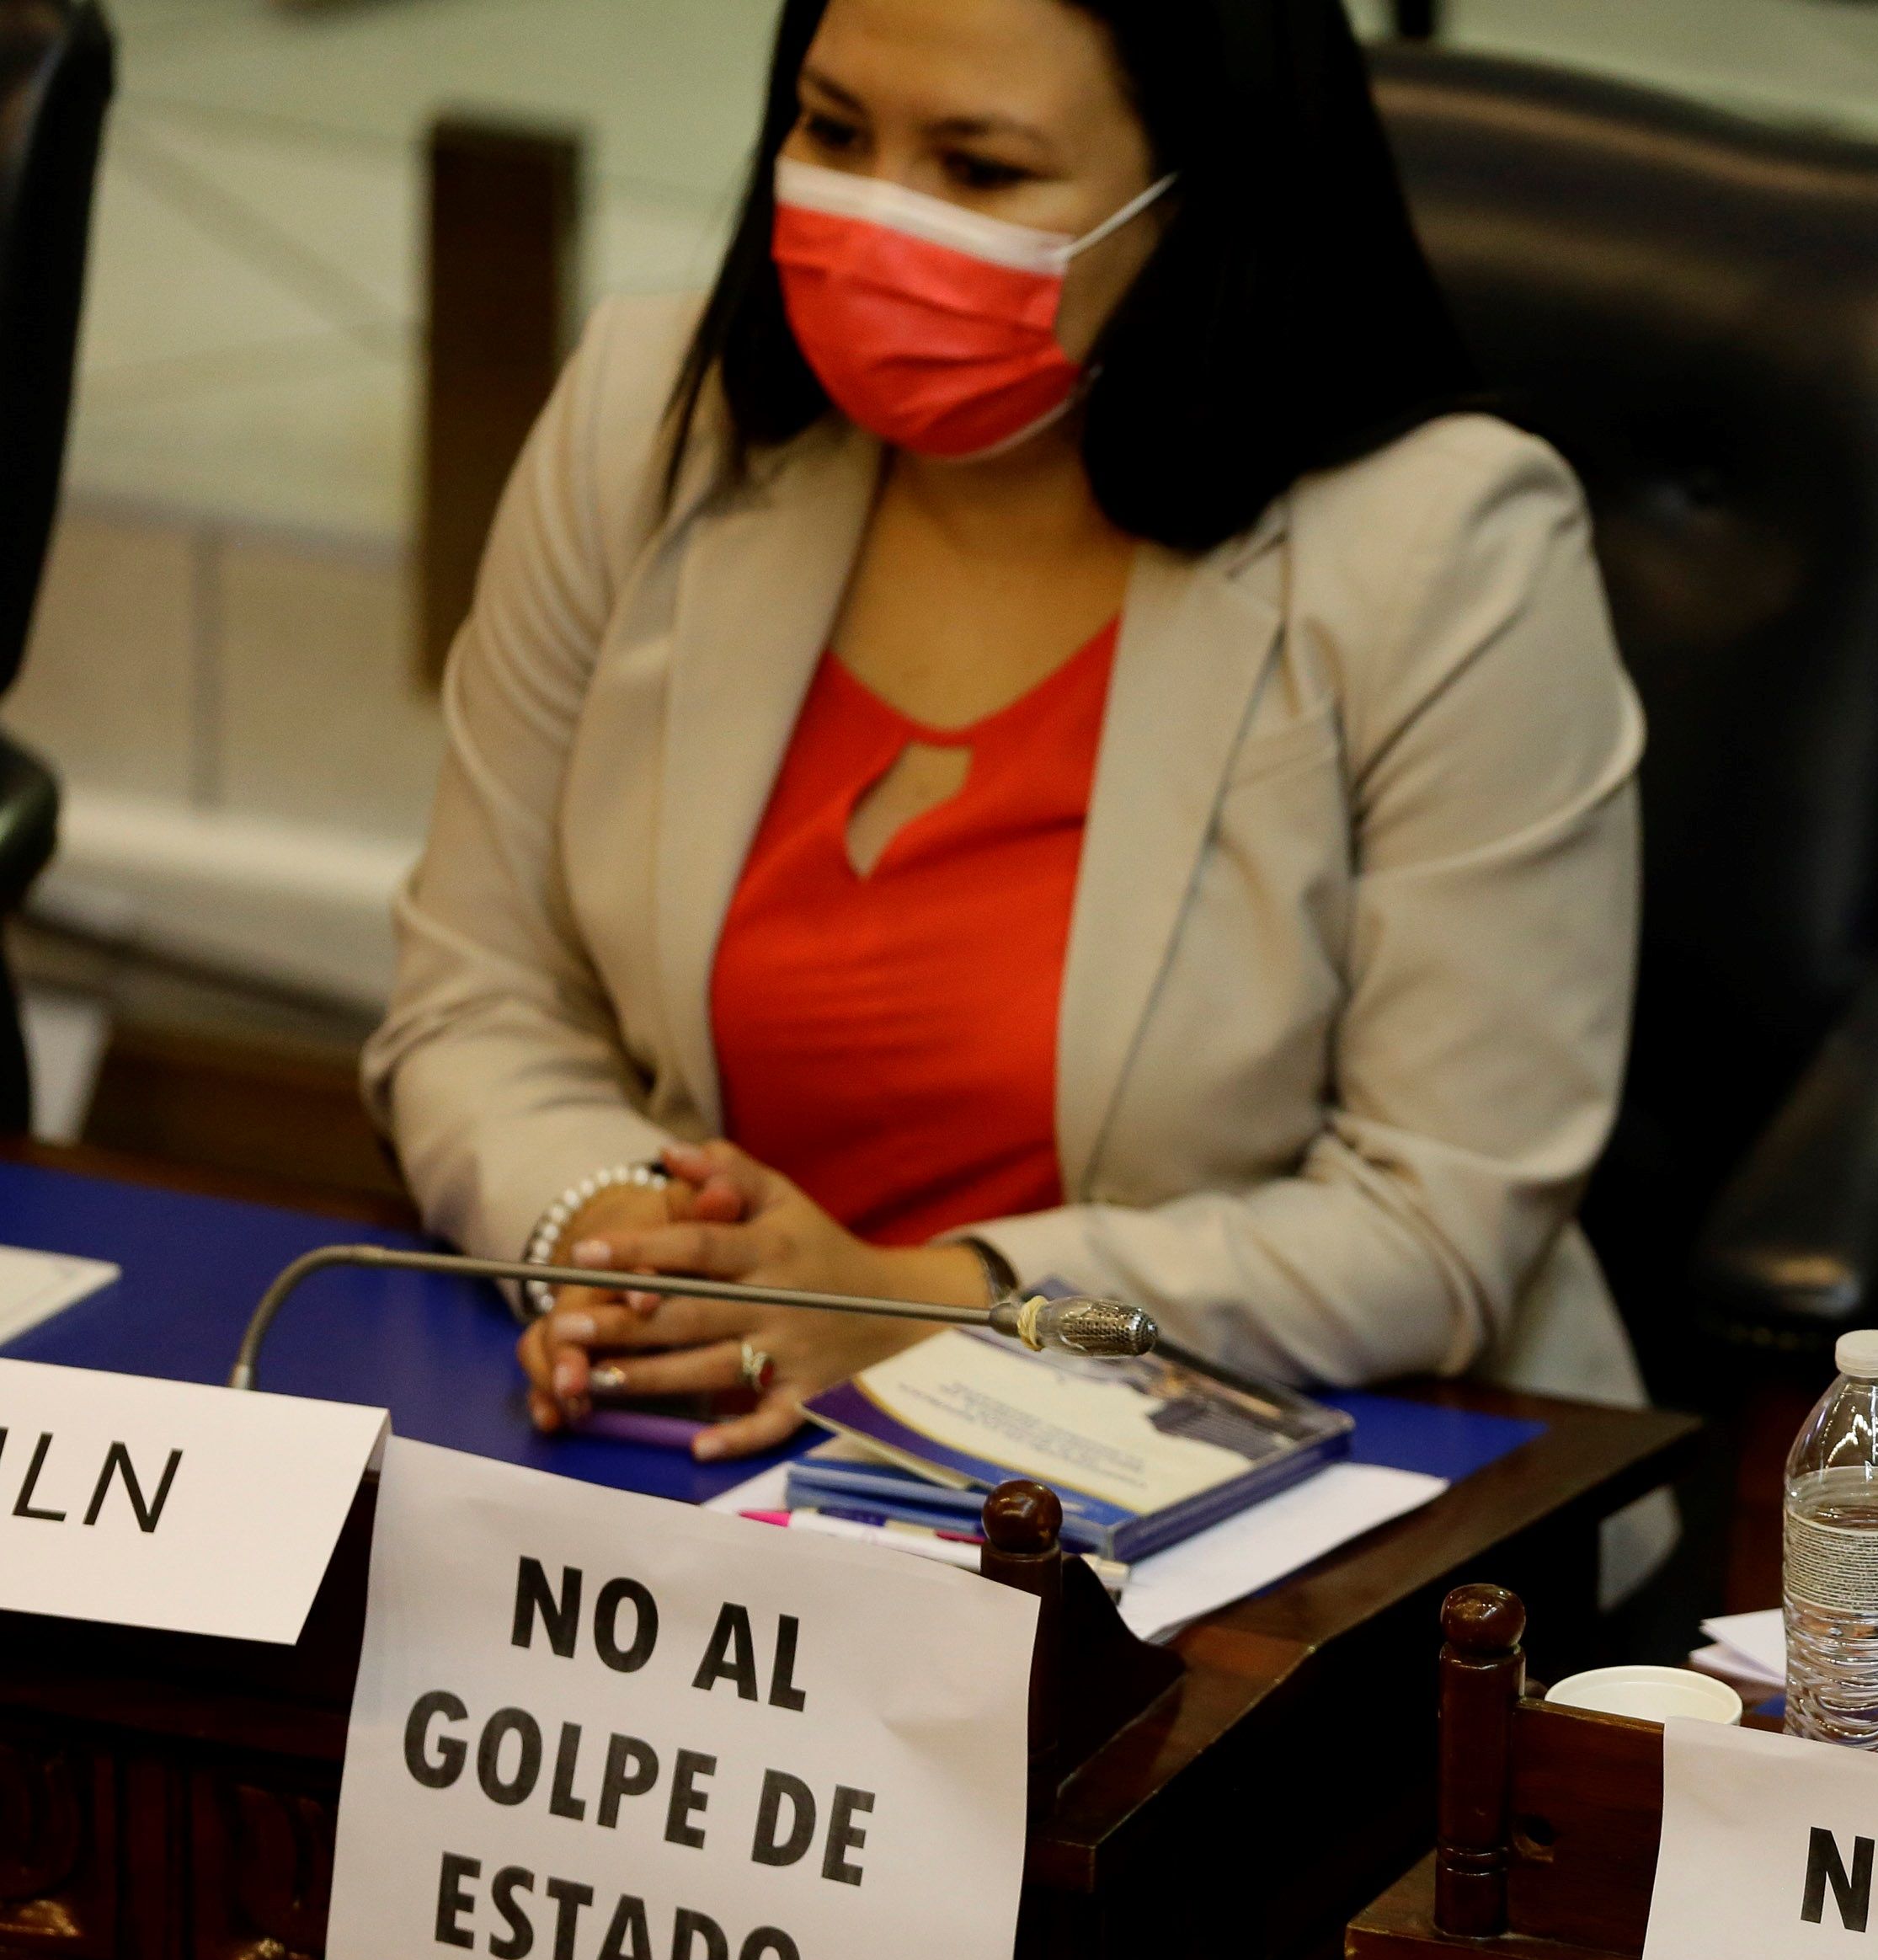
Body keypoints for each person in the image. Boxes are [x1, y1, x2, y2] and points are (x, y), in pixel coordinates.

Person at [364, 0, 1649, 1484]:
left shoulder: (1448, 548)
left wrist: (918, 1304)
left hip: (1275, 1486)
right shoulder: (649, 415)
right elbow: (471, 1001)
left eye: (979, 171)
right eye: (834, 133)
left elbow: (1431, 1229)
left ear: (1194, 206)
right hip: (700, 1439)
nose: (877, 218)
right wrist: (617, 1243)